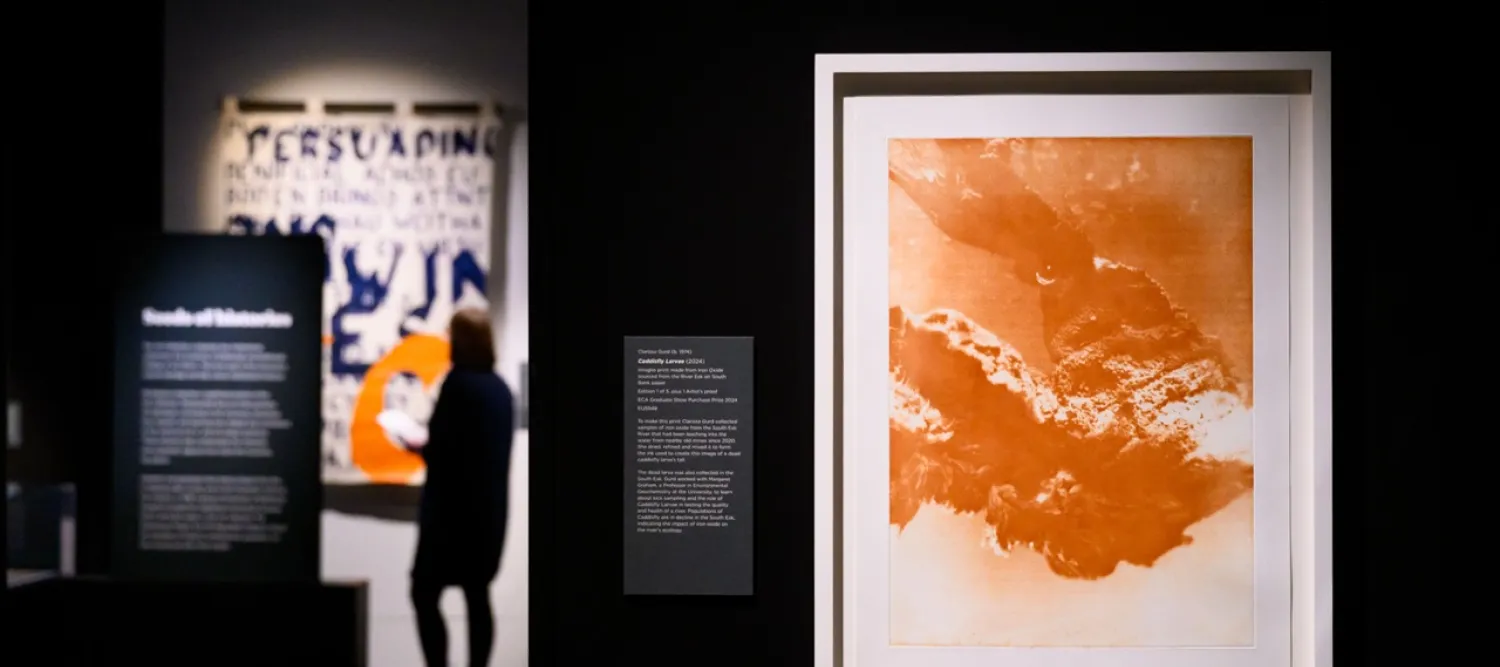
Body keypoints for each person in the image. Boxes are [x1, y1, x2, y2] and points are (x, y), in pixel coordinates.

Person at [406, 307, 516, 667]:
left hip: (450, 519)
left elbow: (442, 451)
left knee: (424, 592)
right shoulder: (502, 391)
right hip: (487, 517)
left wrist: (417, 444)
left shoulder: (458, 385)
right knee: (477, 595)